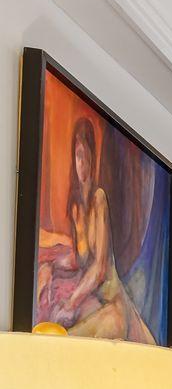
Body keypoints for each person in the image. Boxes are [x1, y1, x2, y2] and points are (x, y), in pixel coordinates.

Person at [33, 115, 154, 343]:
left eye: (86, 156)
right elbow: (80, 259)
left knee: (66, 340)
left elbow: (98, 268)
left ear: (93, 157)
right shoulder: (77, 205)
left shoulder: (99, 200)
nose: (82, 164)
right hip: (94, 299)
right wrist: (51, 265)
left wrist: (71, 302)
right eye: (78, 156)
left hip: (112, 302)